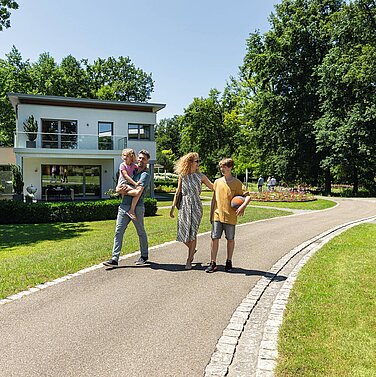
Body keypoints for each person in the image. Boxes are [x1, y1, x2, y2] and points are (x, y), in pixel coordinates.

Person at [103, 150, 151, 267]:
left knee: (140, 232)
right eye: (139, 158)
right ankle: (114, 259)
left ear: (147, 161)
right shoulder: (131, 171)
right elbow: (118, 189)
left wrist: (124, 191)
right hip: (124, 206)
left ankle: (144, 256)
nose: (140, 160)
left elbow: (137, 192)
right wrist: (120, 190)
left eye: (143, 159)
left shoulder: (145, 175)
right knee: (118, 232)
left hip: (137, 208)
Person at [206, 158, 251, 273]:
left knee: (230, 239)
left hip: (230, 216)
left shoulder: (237, 183)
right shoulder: (217, 182)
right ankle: (213, 263)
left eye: (225, 167)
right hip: (217, 215)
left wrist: (242, 206)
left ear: (230, 167)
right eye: (221, 167)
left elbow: (248, 196)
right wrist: (211, 214)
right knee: (214, 238)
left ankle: (229, 261)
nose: (222, 169)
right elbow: (214, 200)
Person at [170, 152, 213, 270]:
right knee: (182, 234)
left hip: (196, 206)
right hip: (184, 205)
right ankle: (192, 249)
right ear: (190, 162)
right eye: (196, 161)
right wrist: (173, 207)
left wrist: (226, 183)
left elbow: (213, 187)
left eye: (199, 161)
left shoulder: (201, 176)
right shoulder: (182, 176)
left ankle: (189, 259)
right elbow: (178, 192)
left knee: (192, 233)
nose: (199, 163)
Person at [118, 148, 141, 220]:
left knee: (137, 193)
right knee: (137, 192)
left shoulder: (134, 166)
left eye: (127, 156)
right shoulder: (122, 165)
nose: (125, 157)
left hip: (129, 184)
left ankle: (124, 194)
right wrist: (135, 184)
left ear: (131, 157)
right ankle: (131, 211)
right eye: (124, 155)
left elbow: (139, 170)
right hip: (123, 183)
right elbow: (126, 176)